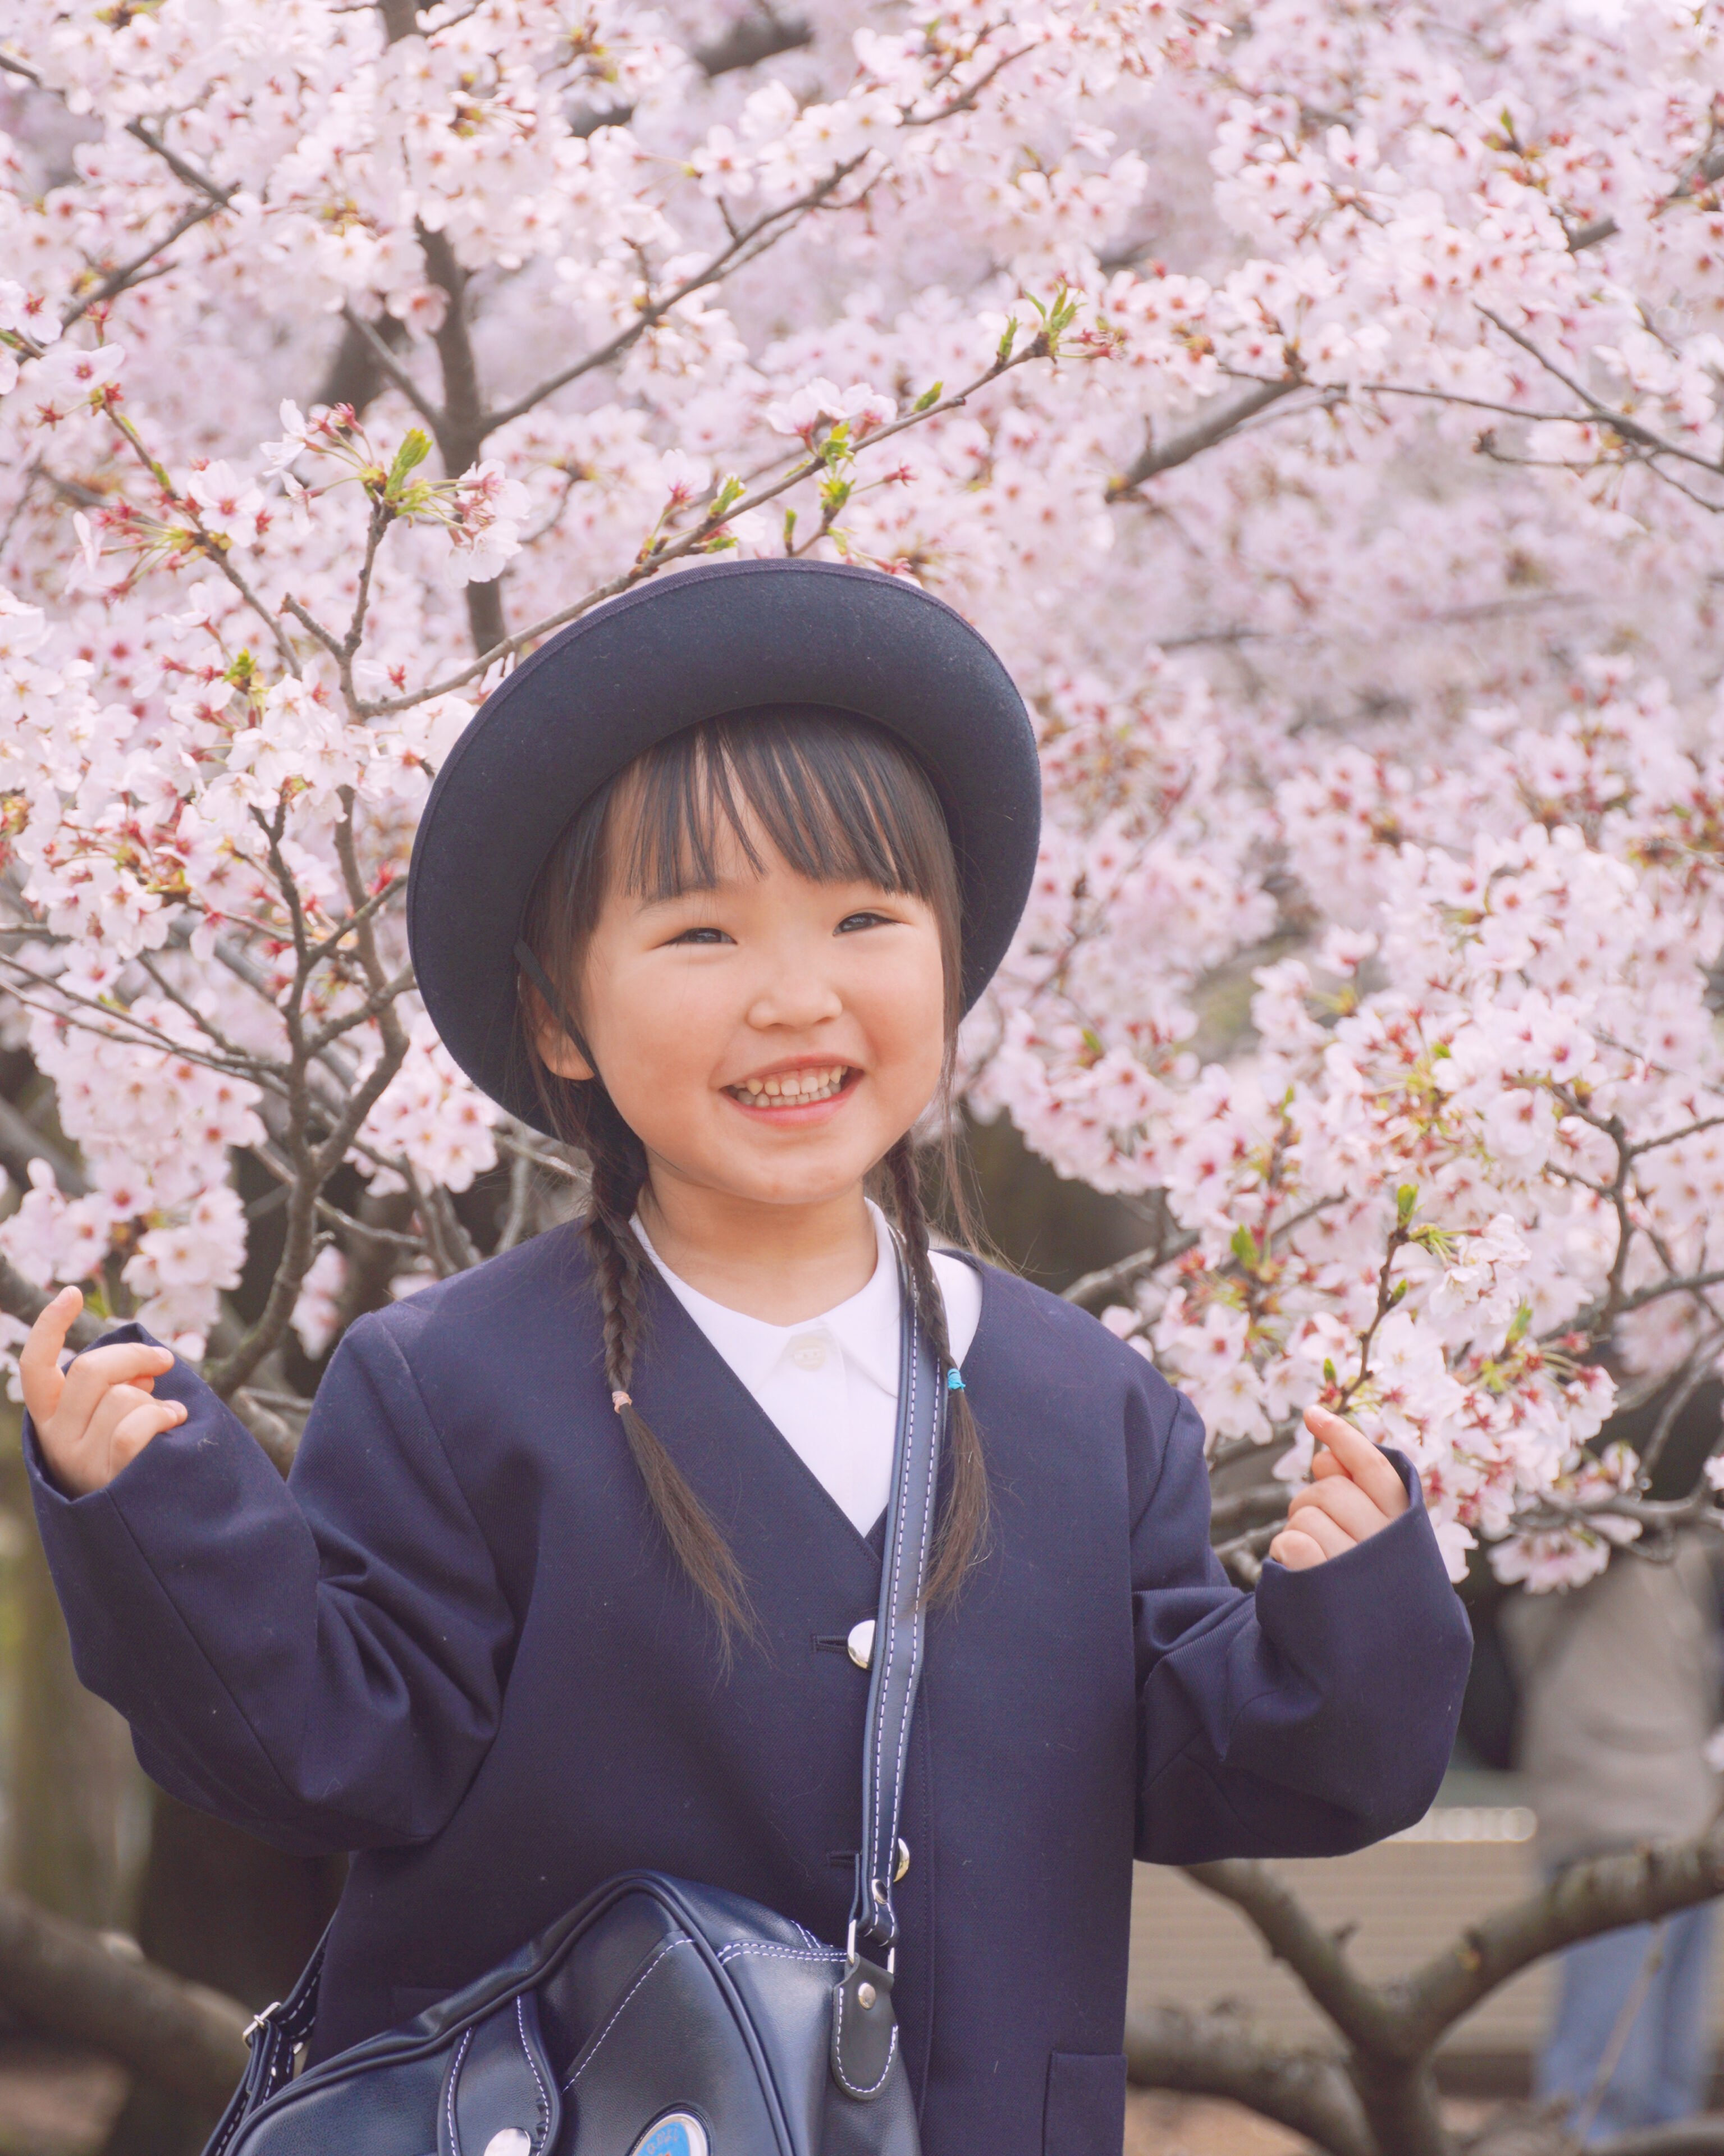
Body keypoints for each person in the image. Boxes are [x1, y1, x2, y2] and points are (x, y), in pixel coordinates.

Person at [16, 559, 1472, 2155]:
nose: (794, 996)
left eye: (864, 919)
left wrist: (1353, 1607)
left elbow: (1240, 1773)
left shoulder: (1084, 1402)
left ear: (947, 955)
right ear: (559, 1022)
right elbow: (336, 1753)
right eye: (698, 932)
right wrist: (160, 1512)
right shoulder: (449, 1387)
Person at [1503, 1539, 1722, 2141]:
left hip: (1685, 1811)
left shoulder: (1684, 1548)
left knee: (1670, 2077)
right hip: (1611, 1814)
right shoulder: (1567, 1529)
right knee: (1603, 2074)